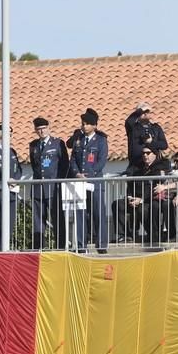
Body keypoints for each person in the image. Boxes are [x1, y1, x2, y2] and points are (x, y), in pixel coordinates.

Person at [70, 108, 109, 253]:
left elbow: (102, 160)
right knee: (80, 213)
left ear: (94, 126)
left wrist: (90, 174)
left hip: (95, 181)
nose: (84, 126)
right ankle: (81, 244)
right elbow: (73, 159)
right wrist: (77, 173)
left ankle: (101, 244)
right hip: (80, 182)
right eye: (83, 123)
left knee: (98, 212)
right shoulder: (78, 140)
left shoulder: (100, 140)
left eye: (87, 124)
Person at [29, 117, 69, 250]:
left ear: (48, 128)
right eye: (39, 129)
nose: (41, 131)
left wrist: (60, 182)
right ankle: (38, 247)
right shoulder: (33, 145)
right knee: (38, 219)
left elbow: (64, 165)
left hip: (53, 187)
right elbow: (35, 166)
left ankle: (60, 246)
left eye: (44, 128)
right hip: (38, 187)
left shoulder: (58, 143)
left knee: (57, 218)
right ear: (35, 130)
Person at [125, 103, 168, 172]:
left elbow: (164, 145)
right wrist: (141, 110)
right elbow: (129, 121)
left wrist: (151, 142)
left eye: (147, 112)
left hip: (153, 167)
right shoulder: (133, 128)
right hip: (136, 167)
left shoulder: (155, 128)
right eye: (143, 112)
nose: (145, 114)